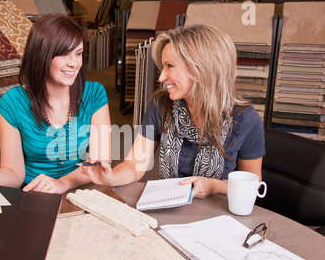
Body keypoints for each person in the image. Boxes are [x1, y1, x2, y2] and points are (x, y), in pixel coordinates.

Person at [83, 24, 265, 199]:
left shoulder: (245, 119)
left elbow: (252, 186)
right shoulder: (160, 105)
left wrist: (213, 186)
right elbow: (134, 165)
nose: (162, 77)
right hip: (170, 207)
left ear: (200, 69)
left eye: (169, 66)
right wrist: (110, 177)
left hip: (219, 214)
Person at [0, 13, 111, 194]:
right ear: (41, 55)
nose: (74, 63)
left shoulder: (94, 94)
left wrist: (63, 183)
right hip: (34, 195)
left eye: (78, 53)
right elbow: (13, 172)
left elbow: (99, 164)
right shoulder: (13, 102)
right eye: (64, 54)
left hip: (81, 192)